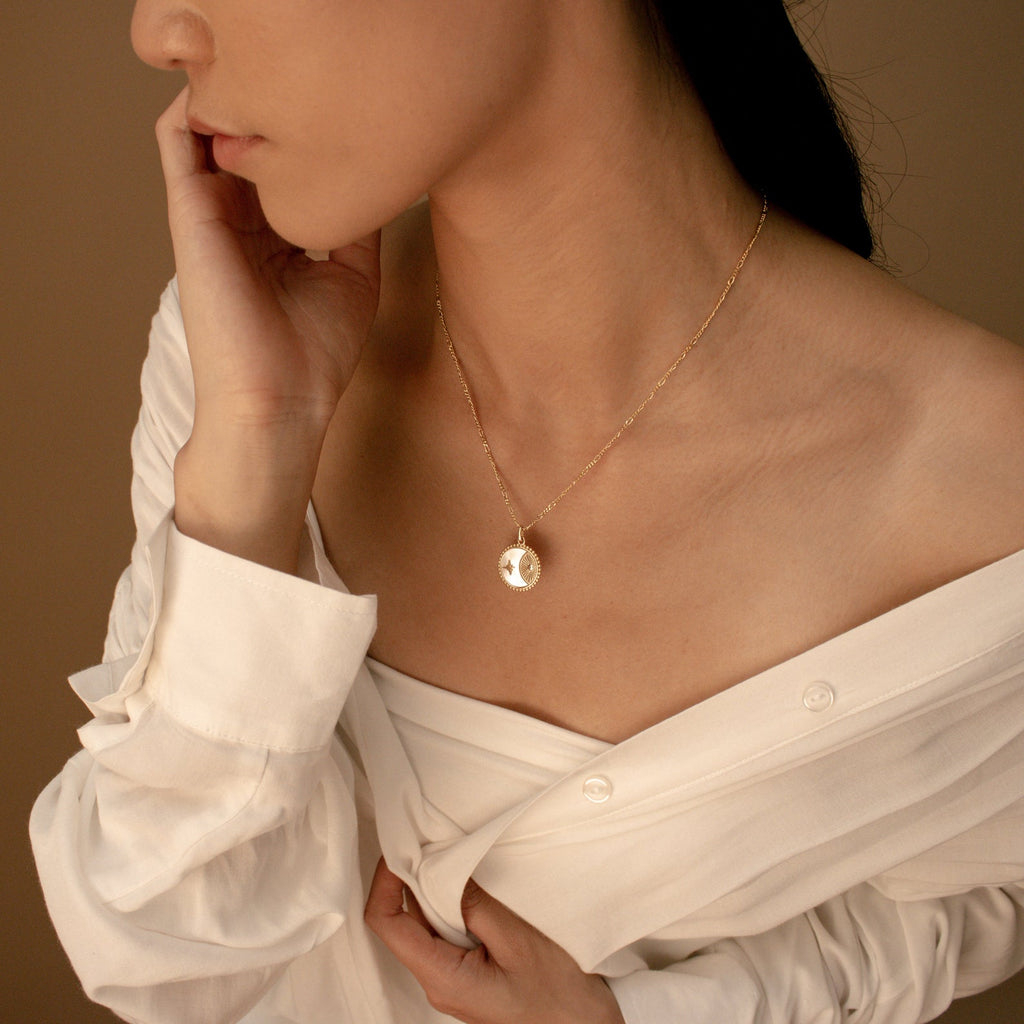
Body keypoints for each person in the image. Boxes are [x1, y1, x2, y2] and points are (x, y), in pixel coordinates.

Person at [30, 1, 1024, 1022]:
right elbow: (168, 960)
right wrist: (256, 455)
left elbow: (973, 897)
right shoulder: (244, 363)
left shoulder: (990, 501)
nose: (156, 32)